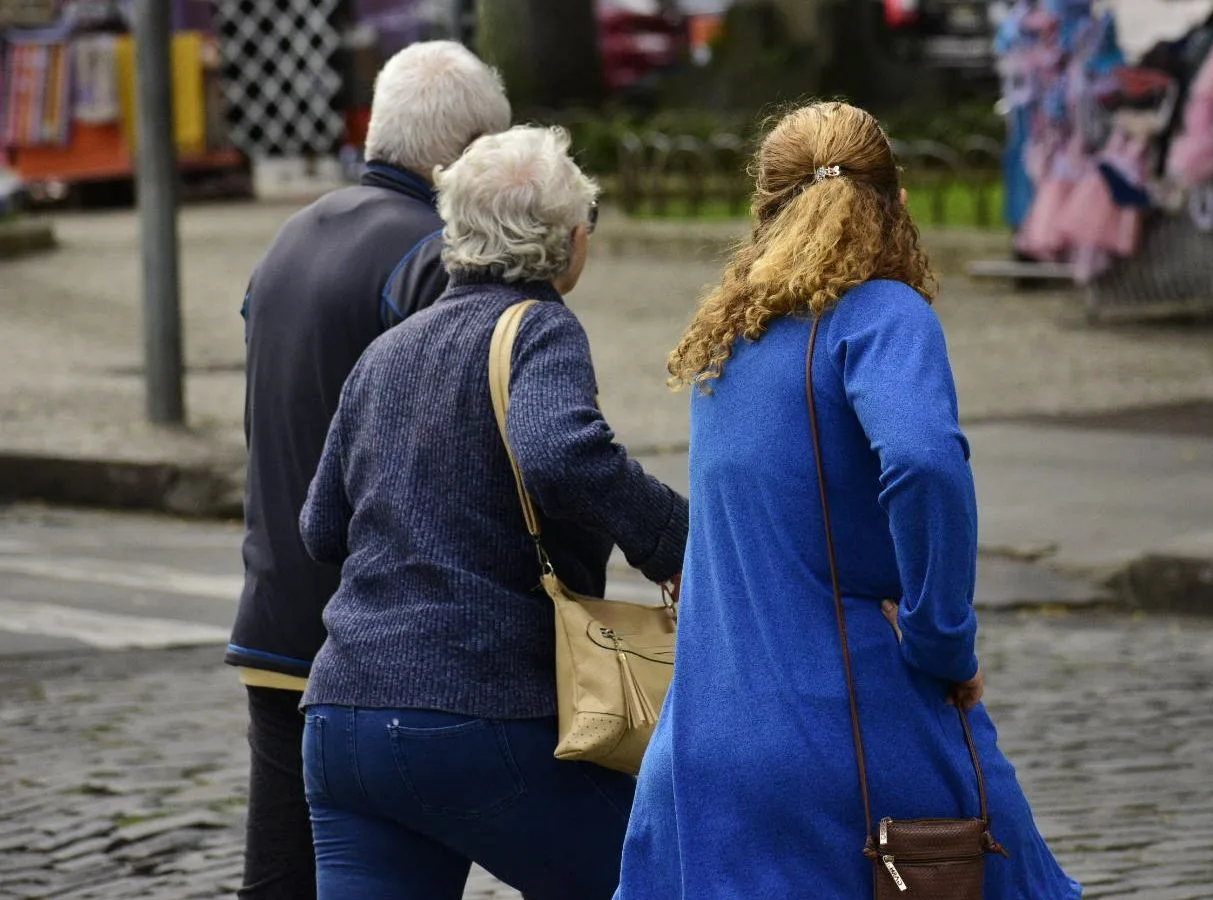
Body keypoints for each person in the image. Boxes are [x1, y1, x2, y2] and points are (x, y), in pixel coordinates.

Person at [615, 102, 1081, 898]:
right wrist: (943, 642)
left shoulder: (725, 339)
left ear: (763, 212)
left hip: (703, 745)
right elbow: (925, 460)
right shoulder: (883, 316)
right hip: (852, 725)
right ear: (898, 203)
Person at [297, 124, 689, 900]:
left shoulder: (387, 351)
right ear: (570, 240)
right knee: (667, 877)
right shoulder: (538, 327)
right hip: (475, 712)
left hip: (344, 723)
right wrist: (677, 541)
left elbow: (320, 530)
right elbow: (558, 452)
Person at [227, 41, 511, 900]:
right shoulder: (429, 258)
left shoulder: (289, 237)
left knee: (281, 878)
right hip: (380, 640)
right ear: (459, 153)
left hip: (275, 615)